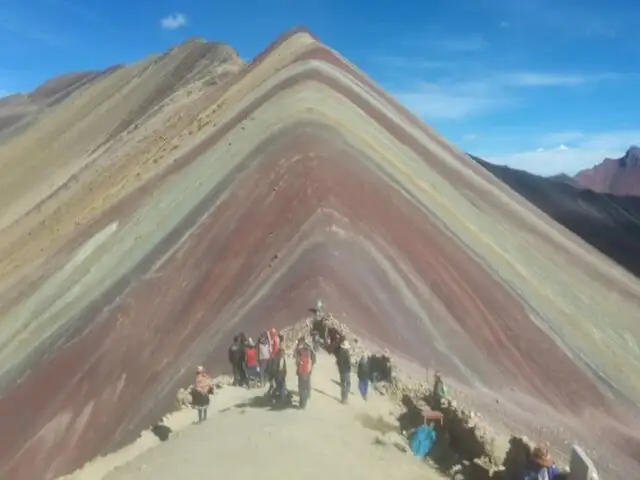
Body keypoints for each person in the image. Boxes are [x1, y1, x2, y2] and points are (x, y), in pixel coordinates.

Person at [294, 336, 316, 409]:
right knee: (307, 384)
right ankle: (307, 397)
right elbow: (314, 357)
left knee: (301, 387)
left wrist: (297, 368)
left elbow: (296, 359)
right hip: (308, 369)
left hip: (302, 370)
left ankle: (302, 404)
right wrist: (311, 365)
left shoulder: (299, 349)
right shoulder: (309, 347)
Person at [336, 338, 352, 404]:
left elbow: (337, 362)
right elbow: (349, 363)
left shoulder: (340, 353)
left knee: (342, 384)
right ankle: (345, 398)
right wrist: (349, 369)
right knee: (348, 384)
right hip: (346, 371)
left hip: (341, 371)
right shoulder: (347, 353)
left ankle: (343, 398)